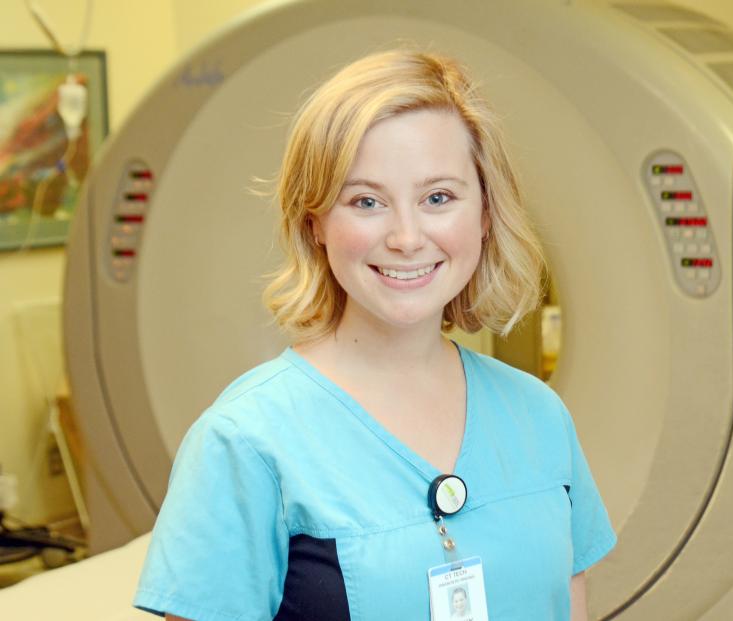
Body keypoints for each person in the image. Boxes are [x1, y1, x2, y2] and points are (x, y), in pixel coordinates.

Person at [133, 47, 615, 621]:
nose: (407, 238)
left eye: (438, 197)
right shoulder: (244, 443)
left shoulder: (539, 417)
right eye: (366, 201)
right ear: (316, 222)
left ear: (485, 214)